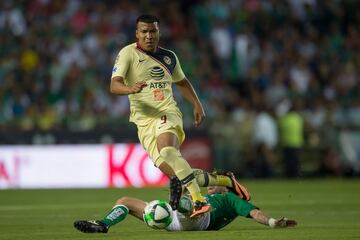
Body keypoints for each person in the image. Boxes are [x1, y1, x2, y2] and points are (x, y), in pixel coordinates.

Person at [109, 14, 249, 217]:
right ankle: (226, 180)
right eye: (144, 31)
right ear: (137, 33)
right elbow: (114, 85)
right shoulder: (128, 54)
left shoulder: (169, 57)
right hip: (144, 123)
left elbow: (182, 82)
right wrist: (129, 88)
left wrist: (197, 104)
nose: (149, 35)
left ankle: (199, 201)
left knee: (167, 151)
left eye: (153, 31)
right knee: (178, 175)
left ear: (159, 32)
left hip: (167, 112)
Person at [73, 184, 297, 233]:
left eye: (218, 183)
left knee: (190, 206)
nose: (213, 184)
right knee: (125, 200)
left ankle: (176, 199)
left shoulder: (230, 200)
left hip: (200, 221)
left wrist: (272, 222)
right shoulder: (209, 193)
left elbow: (255, 213)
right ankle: (103, 224)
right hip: (174, 219)